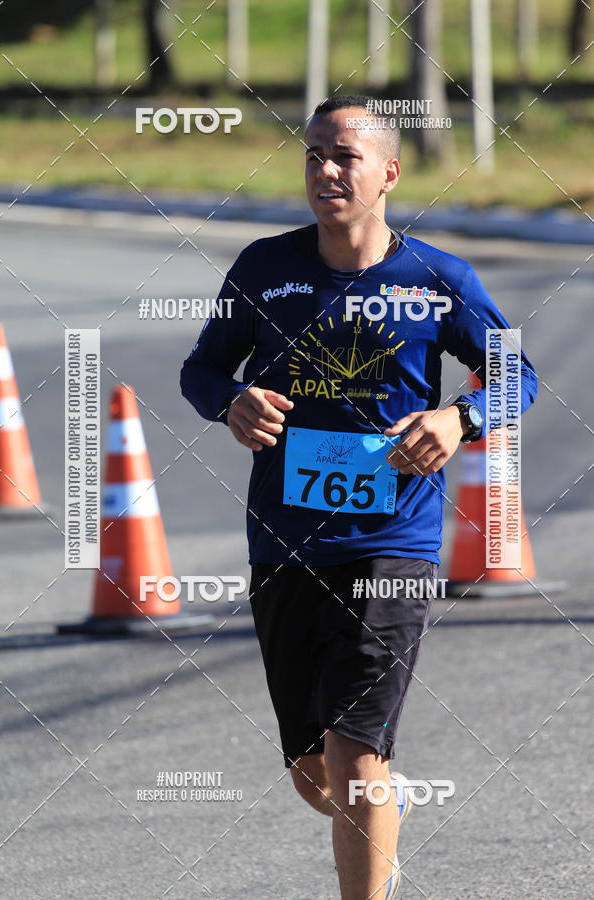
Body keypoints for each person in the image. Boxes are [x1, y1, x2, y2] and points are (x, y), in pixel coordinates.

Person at [180, 95, 537, 899]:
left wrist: (460, 415)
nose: (326, 170)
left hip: (396, 543)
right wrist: (228, 401)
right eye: (313, 155)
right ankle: (377, 819)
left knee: (354, 752)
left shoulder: (437, 278)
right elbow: (201, 368)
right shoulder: (265, 269)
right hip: (285, 543)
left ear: (389, 173)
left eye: (344, 156)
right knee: (317, 774)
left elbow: (518, 374)